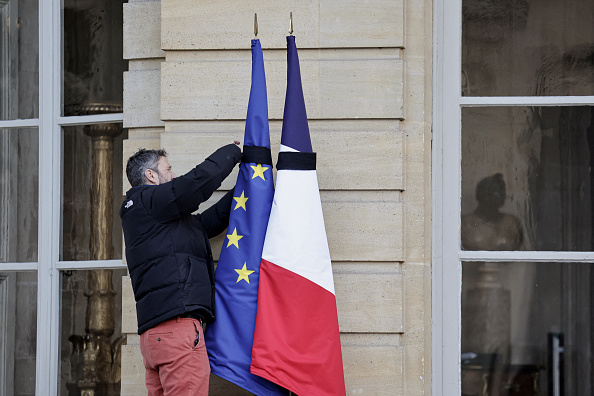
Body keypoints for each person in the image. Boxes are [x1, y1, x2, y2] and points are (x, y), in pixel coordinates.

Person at [120, 142, 242, 395]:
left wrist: (247, 187)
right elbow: (192, 185)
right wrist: (233, 152)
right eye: (168, 168)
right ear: (150, 176)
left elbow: (208, 222)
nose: (174, 175)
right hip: (177, 331)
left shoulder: (152, 218)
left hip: (157, 337)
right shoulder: (147, 200)